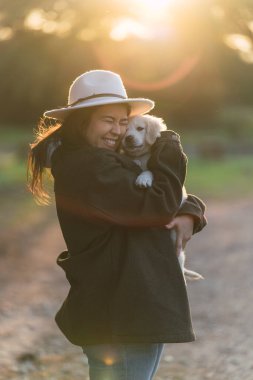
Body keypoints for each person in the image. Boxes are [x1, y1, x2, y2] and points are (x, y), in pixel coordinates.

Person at [27, 70, 207, 380]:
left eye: (123, 122)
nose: (118, 131)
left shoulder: (105, 160)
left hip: (129, 306)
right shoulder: (90, 167)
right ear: (82, 122)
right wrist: (170, 143)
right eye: (107, 121)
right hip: (121, 311)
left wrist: (190, 210)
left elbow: (161, 197)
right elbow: (159, 205)